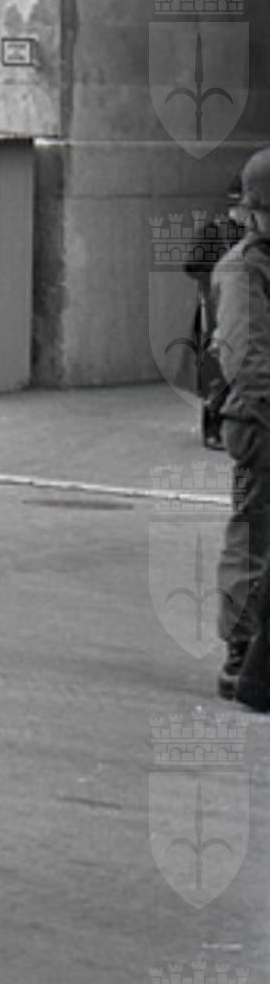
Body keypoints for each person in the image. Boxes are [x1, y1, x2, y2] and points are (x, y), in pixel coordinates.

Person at [209, 148, 270, 701]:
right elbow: (247, 363)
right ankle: (241, 648)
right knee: (254, 536)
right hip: (260, 424)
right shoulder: (244, 269)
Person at [186, 175, 245, 449]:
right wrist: (221, 277)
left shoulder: (254, 236)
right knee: (216, 369)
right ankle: (213, 426)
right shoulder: (215, 231)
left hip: (245, 308)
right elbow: (193, 265)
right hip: (217, 307)